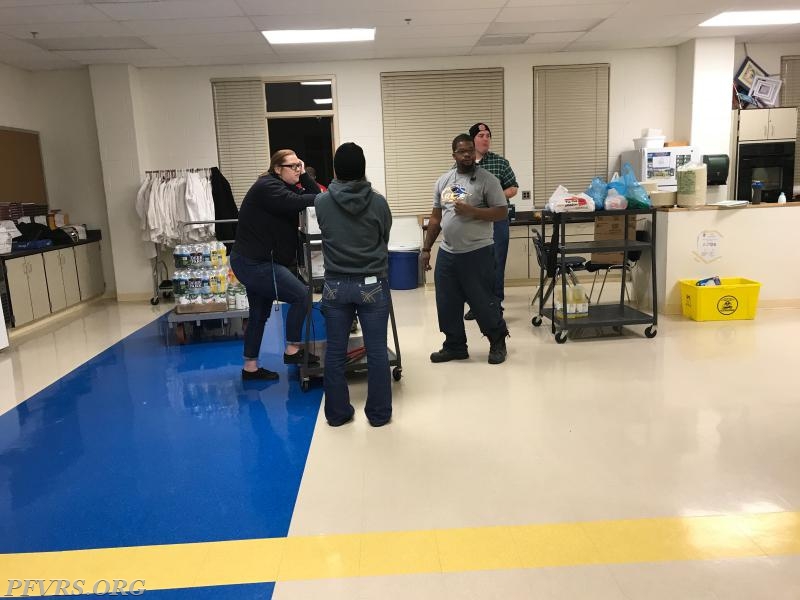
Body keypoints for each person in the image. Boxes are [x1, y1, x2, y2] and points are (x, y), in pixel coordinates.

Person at [315, 143, 393, 427]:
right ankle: (379, 415)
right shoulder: (378, 202)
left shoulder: (321, 202)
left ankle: (337, 414)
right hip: (371, 284)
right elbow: (383, 236)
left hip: (335, 284)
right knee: (376, 352)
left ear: (336, 169)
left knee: (335, 352)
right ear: (363, 168)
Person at [230, 149, 321, 381]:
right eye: (292, 166)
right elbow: (301, 201)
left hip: (255, 261)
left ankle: (250, 367)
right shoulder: (268, 187)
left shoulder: (282, 185)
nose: (298, 170)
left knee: (259, 313)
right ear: (277, 169)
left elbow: (311, 194)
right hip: (253, 263)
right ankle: (292, 350)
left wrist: (304, 172)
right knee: (301, 295)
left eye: (299, 165)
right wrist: (326, 197)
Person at [422, 134, 509, 365]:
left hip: (478, 252)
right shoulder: (444, 181)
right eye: (462, 151)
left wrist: (474, 212)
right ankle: (455, 345)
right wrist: (426, 248)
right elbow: (436, 217)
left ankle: (498, 341)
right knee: (447, 301)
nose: (468, 154)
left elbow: (501, 212)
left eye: (470, 150)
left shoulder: (487, 180)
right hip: (448, 253)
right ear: (454, 155)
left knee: (482, 301)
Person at [463, 122, 518, 321]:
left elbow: (513, 188)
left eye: (488, 135)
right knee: (474, 265)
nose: (485, 139)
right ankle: (476, 305)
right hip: (473, 223)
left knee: (496, 263)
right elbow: (455, 189)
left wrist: (495, 195)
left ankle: (495, 305)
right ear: (472, 140)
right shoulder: (463, 164)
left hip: (497, 220)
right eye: (481, 136)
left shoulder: (500, 163)